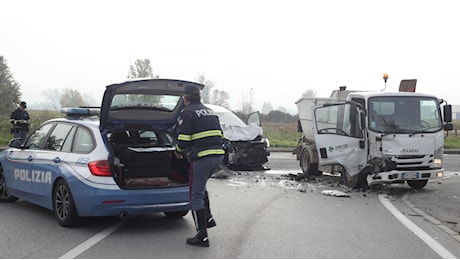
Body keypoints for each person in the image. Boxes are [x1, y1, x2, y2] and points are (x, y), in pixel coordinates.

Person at [175, 85, 225, 247]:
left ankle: (202, 236)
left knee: (195, 195)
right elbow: (220, 135)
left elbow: (183, 140)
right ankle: (208, 217)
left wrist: (177, 151)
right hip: (217, 157)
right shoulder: (210, 112)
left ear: (186, 99)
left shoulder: (188, 113)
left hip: (202, 158)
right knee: (201, 186)